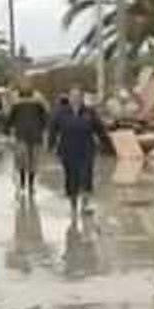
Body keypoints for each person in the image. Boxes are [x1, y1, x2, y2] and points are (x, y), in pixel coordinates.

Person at [48, 86, 109, 225]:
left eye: (78, 96)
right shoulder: (61, 113)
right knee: (71, 177)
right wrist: (51, 146)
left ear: (82, 98)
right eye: (73, 96)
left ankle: (85, 203)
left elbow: (100, 129)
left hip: (86, 149)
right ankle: (73, 205)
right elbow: (52, 129)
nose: (75, 98)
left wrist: (106, 144)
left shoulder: (89, 112)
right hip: (67, 150)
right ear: (69, 98)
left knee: (86, 175)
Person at [4, 79, 49, 199]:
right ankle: (23, 184)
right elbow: (10, 117)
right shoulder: (15, 100)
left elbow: (45, 115)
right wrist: (7, 129)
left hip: (35, 134)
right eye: (23, 84)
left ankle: (31, 184)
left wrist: (45, 129)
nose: (25, 86)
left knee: (33, 162)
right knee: (22, 161)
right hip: (21, 135)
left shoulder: (38, 98)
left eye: (27, 84)